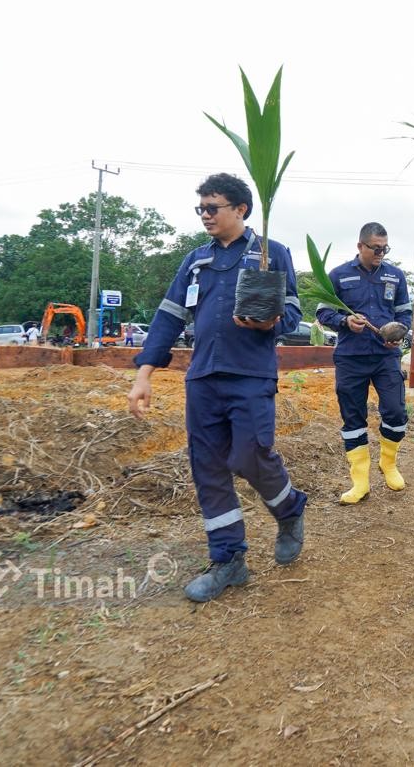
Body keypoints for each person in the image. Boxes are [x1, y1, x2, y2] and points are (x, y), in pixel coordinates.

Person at [128, 173, 307, 603]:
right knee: (207, 468)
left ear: (240, 209)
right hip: (204, 376)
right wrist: (144, 373)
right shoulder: (195, 260)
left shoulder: (270, 253)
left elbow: (294, 312)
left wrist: (272, 321)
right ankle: (229, 559)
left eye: (213, 208)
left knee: (249, 455)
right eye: (201, 209)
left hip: (251, 375)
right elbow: (169, 316)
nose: (205, 216)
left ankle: (289, 509)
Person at [315, 222, 413, 504]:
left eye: (385, 248)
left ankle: (388, 463)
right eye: (376, 248)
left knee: (395, 412)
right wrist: (344, 321)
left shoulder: (395, 276)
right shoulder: (338, 275)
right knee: (353, 418)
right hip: (350, 357)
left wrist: (400, 333)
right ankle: (359, 482)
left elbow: (405, 313)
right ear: (360, 246)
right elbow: (322, 312)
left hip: (386, 357)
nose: (381, 253)